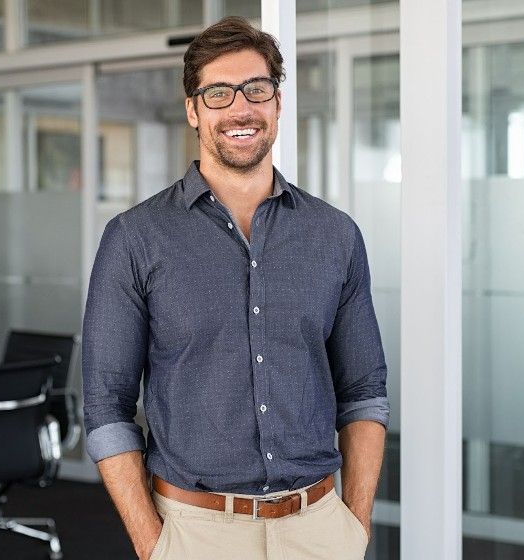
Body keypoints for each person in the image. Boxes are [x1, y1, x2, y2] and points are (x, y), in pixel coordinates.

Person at [82, 16, 389, 560]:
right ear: (193, 110)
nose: (240, 109)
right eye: (218, 93)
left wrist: (354, 527)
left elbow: (364, 391)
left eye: (257, 89)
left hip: (319, 530)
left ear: (277, 103)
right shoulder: (134, 238)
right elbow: (107, 407)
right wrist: (153, 545)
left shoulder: (335, 235)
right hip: (194, 534)